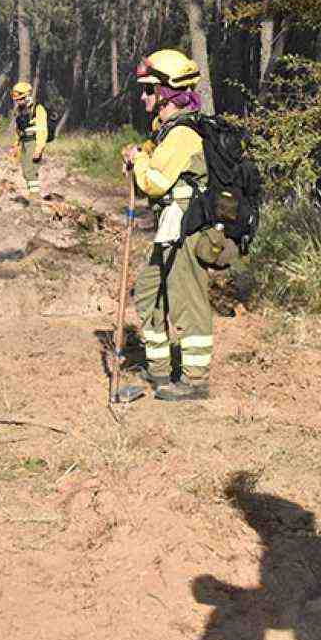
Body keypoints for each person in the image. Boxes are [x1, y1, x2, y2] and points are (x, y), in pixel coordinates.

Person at [116, 48, 224, 404]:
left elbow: (156, 182)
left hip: (189, 233)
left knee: (188, 303)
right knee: (148, 293)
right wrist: (138, 155)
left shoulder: (183, 135)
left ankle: (195, 380)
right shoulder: (166, 131)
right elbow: (151, 164)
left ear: (166, 93)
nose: (144, 97)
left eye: (149, 90)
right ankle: (158, 369)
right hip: (169, 231)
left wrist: (140, 160)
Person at [9, 81, 48, 204]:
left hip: (34, 142)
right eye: (16, 99)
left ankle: (35, 197)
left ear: (27, 96)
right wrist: (16, 145)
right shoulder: (20, 111)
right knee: (26, 171)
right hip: (24, 143)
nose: (18, 101)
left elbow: (42, 129)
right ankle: (33, 195)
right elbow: (18, 131)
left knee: (31, 171)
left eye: (20, 99)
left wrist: (39, 148)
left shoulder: (38, 109)